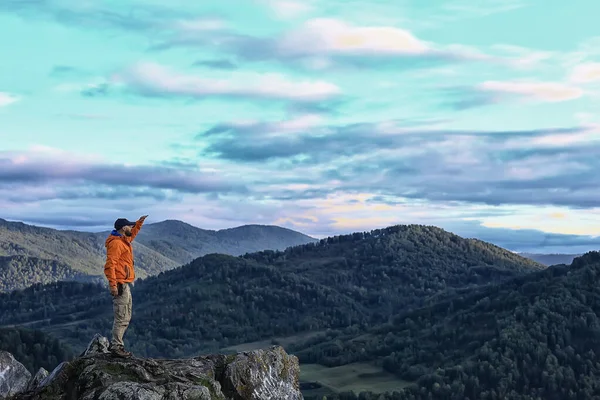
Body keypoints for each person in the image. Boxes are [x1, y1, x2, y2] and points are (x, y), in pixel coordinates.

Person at [104, 215, 147, 357]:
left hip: (125, 284)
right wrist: (113, 285)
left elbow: (132, 234)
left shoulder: (123, 240)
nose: (131, 228)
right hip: (120, 284)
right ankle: (116, 346)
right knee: (121, 317)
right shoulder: (116, 244)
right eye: (129, 226)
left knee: (126, 316)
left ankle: (118, 345)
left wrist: (139, 223)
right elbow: (110, 265)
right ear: (123, 228)